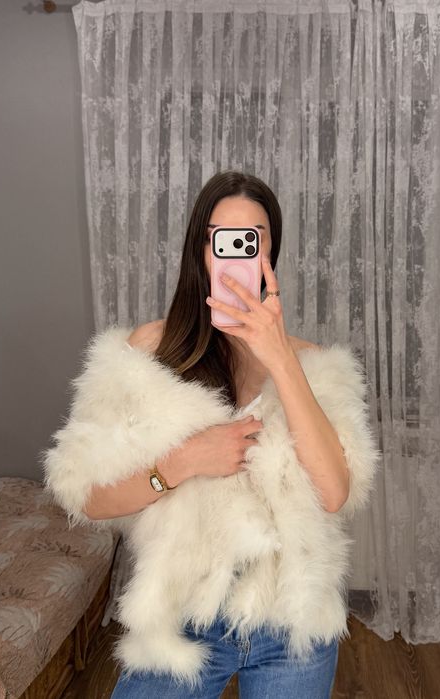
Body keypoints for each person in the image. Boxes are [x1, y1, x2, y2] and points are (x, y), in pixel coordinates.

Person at [43, 171, 379, 699]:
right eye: (221, 238)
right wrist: (182, 463)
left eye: (253, 238)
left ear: (270, 253)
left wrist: (281, 360)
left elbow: (335, 492)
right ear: (200, 252)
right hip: (180, 618)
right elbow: (86, 495)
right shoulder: (149, 352)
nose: (236, 253)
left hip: (292, 618)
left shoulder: (312, 363)